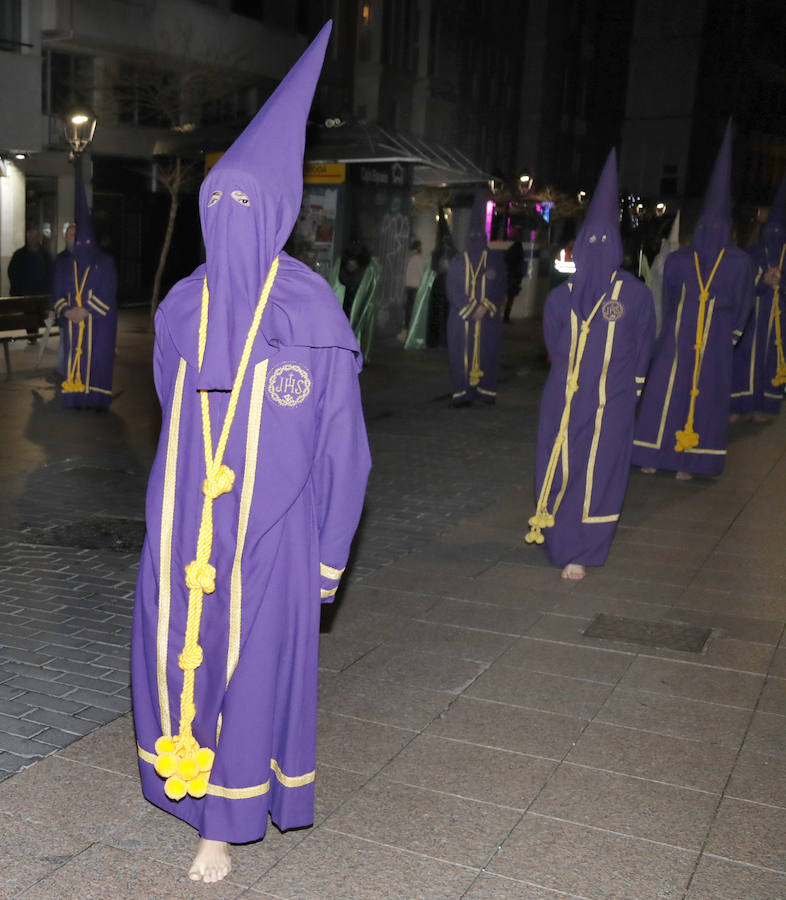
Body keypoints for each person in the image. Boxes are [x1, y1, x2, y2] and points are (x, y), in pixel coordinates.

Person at [131, 22, 370, 885]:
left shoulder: (313, 316)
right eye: (216, 204)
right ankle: (190, 788)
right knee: (177, 658)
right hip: (188, 524)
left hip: (273, 536)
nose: (229, 219)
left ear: (274, 213)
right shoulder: (182, 306)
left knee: (252, 671)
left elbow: (347, 452)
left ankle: (221, 827)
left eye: (246, 205)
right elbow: (169, 403)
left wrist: (326, 560)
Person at [525, 149, 655, 580]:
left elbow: (642, 345)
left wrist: (630, 391)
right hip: (561, 400)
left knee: (597, 473)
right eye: (590, 243)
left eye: (605, 243)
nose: (597, 251)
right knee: (559, 463)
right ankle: (558, 537)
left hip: (611, 402)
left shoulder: (634, 295)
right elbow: (552, 342)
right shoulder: (561, 297)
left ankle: (584, 549)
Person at [632, 123, 754, 480]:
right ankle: (654, 451)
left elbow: (744, 303)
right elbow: (669, 296)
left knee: (703, 398)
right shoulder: (680, 260)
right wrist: (671, 329)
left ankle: (692, 458)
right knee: (664, 394)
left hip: (714, 342)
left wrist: (727, 338)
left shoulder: (739, 263)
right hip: (678, 336)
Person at [52, 185, 117, 409]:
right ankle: (75, 395)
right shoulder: (63, 263)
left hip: (96, 323)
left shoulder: (105, 262)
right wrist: (68, 311)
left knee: (96, 359)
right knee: (73, 359)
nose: (77, 240)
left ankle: (95, 398)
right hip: (72, 322)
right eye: (72, 235)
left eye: (79, 235)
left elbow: (108, 291)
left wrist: (85, 309)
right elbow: (57, 293)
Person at [729, 175, 786, 421]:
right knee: (745, 360)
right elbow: (741, 282)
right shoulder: (751, 252)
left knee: (771, 361)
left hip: (778, 320)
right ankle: (739, 405)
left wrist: (780, 284)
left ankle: (764, 406)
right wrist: (762, 281)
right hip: (753, 316)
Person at [445, 194, 506, 406]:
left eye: (480, 236)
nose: (476, 239)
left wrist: (486, 307)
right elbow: (452, 289)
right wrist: (472, 309)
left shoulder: (495, 262)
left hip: (487, 320)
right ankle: (463, 391)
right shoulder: (458, 262)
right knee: (460, 354)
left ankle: (484, 390)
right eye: (473, 236)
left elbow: (500, 288)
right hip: (462, 320)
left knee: (488, 352)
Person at [8, 226, 53, 342]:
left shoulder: (46, 255)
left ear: (38, 238)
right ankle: (32, 335)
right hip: (26, 294)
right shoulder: (19, 255)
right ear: (27, 238)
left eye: (34, 237)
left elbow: (52, 273)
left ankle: (33, 334)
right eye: (30, 237)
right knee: (30, 314)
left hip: (41, 294)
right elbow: (13, 274)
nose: (32, 239)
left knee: (37, 314)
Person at [398, 238, 424, 342]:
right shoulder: (418, 258)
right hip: (415, 287)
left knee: (408, 310)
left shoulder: (409, 257)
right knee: (413, 311)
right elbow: (422, 273)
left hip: (408, 287)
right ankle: (410, 334)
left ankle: (405, 332)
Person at [503, 230, 525, 323]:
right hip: (514, 277)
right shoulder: (518, 249)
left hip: (509, 276)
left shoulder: (511, 250)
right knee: (510, 298)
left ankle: (505, 316)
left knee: (507, 298)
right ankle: (506, 317)